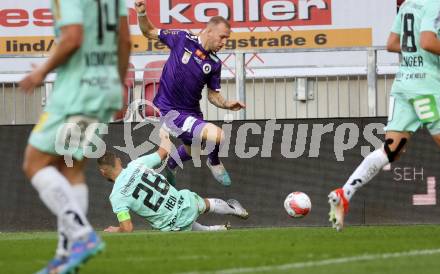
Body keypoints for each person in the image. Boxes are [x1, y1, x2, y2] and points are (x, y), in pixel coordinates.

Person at [19, 0, 131, 272]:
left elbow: (72, 38)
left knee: (34, 163)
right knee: (70, 168)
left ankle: (81, 235)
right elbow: (125, 41)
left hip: (77, 91)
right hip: (104, 88)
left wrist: (41, 71)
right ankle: (65, 253)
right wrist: (116, 84)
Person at [328, 0, 440, 231]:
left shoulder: (408, 5)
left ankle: (345, 192)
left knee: (391, 150)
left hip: (404, 85)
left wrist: (416, 50)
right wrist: (423, 49)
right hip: (426, 87)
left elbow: (392, 44)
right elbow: (428, 42)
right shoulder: (434, 4)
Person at [134, 0, 246, 187]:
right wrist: (142, 13)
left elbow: (212, 95)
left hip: (192, 112)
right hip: (170, 110)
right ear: (208, 31)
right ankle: (214, 161)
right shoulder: (182, 38)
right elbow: (149, 32)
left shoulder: (214, 63)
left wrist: (226, 104)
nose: (224, 43)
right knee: (217, 135)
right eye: (222, 37)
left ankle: (170, 164)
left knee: (192, 150)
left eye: (227, 39)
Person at [97, 130, 249, 233]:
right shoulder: (137, 164)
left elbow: (127, 228)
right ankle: (235, 210)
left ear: (103, 172)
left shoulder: (116, 196)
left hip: (169, 226)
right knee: (205, 204)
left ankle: (220, 230)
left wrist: (116, 229)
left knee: (185, 225)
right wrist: (164, 134)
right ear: (118, 161)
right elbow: (164, 151)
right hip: (184, 205)